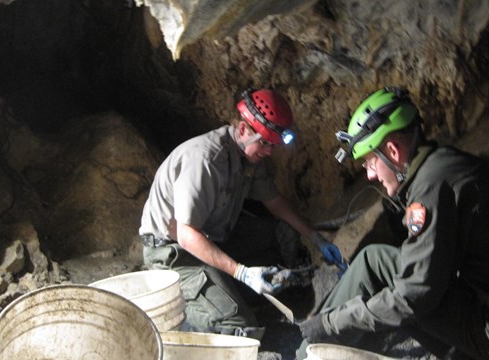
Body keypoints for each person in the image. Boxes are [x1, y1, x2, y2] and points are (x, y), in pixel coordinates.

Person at [297, 87, 489, 359]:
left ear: (392, 151)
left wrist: (330, 323)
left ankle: (307, 347)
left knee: (395, 290)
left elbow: (413, 296)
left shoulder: (431, 188)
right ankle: (312, 347)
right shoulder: (441, 165)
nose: (369, 176)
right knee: (375, 260)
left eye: (369, 163)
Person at [139, 88, 346, 340]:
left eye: (273, 145)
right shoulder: (205, 160)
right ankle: (185, 308)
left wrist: (317, 238)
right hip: (174, 254)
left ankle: (235, 290)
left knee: (282, 233)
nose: (269, 151)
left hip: (215, 236)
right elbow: (186, 235)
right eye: (265, 142)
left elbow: (276, 203)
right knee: (240, 331)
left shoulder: (250, 157)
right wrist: (242, 272)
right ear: (243, 129)